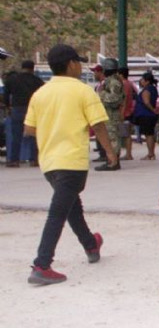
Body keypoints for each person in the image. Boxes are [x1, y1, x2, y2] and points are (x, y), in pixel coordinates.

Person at [25, 44, 117, 285]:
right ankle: (42, 264)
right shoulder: (83, 91)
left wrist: (51, 132)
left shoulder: (40, 93)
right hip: (72, 162)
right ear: (71, 64)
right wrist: (110, 151)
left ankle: (90, 243)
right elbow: (98, 125)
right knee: (58, 212)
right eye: (78, 62)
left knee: (71, 206)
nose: (80, 66)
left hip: (49, 163)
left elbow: (29, 129)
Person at [3, 60, 44, 168]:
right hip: (33, 109)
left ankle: (14, 160)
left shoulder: (12, 79)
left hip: (17, 109)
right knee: (33, 135)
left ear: (22, 67)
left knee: (16, 136)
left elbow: (6, 95)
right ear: (33, 68)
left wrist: (8, 106)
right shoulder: (37, 80)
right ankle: (34, 159)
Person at [94, 58, 125, 171]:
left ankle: (113, 162)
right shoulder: (111, 81)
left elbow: (115, 99)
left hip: (111, 115)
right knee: (110, 137)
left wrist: (101, 93)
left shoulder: (114, 82)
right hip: (108, 114)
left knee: (112, 138)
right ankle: (111, 161)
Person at [134, 72, 159, 160]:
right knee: (150, 134)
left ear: (147, 81)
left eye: (142, 79)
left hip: (146, 114)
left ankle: (150, 153)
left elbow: (146, 102)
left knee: (148, 134)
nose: (141, 81)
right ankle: (151, 153)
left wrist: (153, 110)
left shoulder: (147, 89)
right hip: (148, 115)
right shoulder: (153, 88)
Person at [90, 64, 107, 162]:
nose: (94, 74)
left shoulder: (105, 84)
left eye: (95, 72)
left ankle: (104, 153)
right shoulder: (98, 85)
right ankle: (101, 152)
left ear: (100, 72)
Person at [118, 68, 136, 161]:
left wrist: (121, 113)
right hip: (128, 110)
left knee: (126, 134)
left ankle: (128, 154)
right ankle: (128, 153)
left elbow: (124, 100)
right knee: (127, 133)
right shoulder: (129, 83)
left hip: (125, 112)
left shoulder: (124, 84)